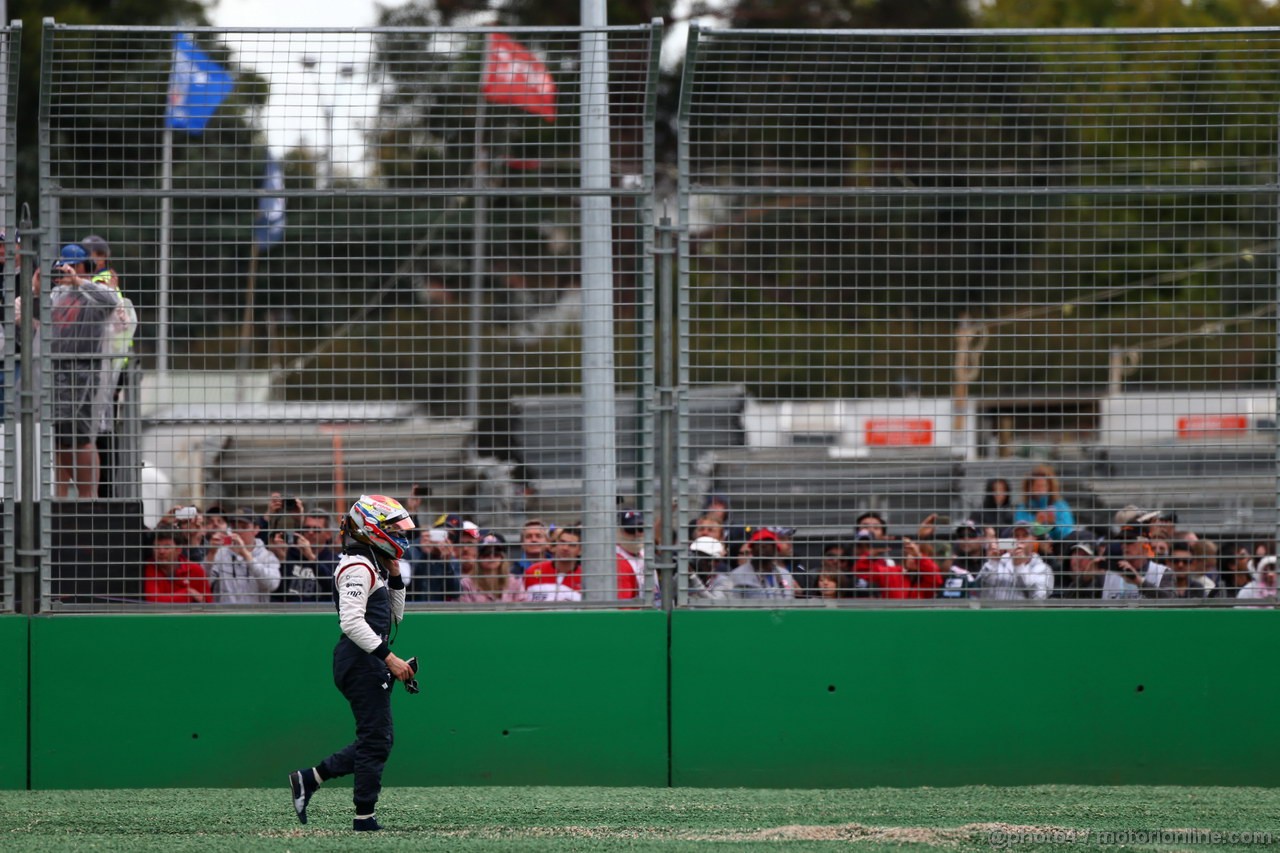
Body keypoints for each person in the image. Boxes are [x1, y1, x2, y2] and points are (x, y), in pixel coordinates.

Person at [288, 495, 418, 832]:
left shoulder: (372, 564)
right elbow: (351, 622)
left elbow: (394, 617)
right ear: (370, 529)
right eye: (392, 528)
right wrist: (389, 658)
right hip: (361, 661)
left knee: (376, 739)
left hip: (366, 660)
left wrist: (395, 575)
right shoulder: (357, 567)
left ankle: (310, 778)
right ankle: (363, 818)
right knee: (376, 739)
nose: (400, 535)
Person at [48, 244, 119, 498]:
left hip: (87, 375)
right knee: (59, 438)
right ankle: (60, 496)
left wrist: (79, 281)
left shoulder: (94, 291)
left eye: (70, 267)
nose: (63, 272)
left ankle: (89, 498)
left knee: (84, 437)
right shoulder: (58, 294)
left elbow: (111, 301)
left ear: (81, 267)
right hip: (57, 374)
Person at [206, 507, 281, 604]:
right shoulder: (221, 553)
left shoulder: (267, 556)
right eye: (235, 526)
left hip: (255, 616)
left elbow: (273, 584)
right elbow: (204, 584)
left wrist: (246, 555)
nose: (238, 531)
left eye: (244, 527)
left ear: (256, 529)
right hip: (225, 616)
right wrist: (211, 554)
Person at [706, 527, 797, 600]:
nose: (762, 546)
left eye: (767, 543)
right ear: (752, 548)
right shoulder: (737, 575)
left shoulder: (785, 575)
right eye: (758, 543)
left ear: (775, 549)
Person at [969, 526, 1053, 600]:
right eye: (1016, 536)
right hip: (994, 615)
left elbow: (1038, 598)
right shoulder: (998, 561)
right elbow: (976, 591)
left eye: (1025, 536)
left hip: (1022, 617)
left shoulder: (1043, 568)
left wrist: (1020, 567)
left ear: (1033, 539)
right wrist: (992, 562)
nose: (1020, 540)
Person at [143, 526, 210, 604]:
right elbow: (153, 601)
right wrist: (188, 593)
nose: (161, 551)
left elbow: (208, 604)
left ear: (179, 549)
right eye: (157, 547)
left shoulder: (195, 570)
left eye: (167, 547)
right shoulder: (148, 567)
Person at [1101, 529, 1172, 600]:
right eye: (1122, 541)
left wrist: (1140, 582)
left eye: (1130, 540)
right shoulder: (1112, 573)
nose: (1124, 545)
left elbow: (1171, 602)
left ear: (1145, 544)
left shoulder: (1162, 572)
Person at [1013, 464, 1075, 542]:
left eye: (1043, 486)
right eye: (1037, 486)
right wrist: (1037, 524)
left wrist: (1053, 525)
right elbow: (1020, 535)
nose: (1040, 489)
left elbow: (1067, 534)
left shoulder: (1061, 506)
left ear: (1050, 487)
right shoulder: (1022, 509)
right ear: (1030, 487)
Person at [616, 509, 646, 598]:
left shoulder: (644, 552)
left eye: (640, 528)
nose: (637, 534)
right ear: (619, 531)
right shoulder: (618, 560)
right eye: (631, 529)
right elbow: (625, 607)